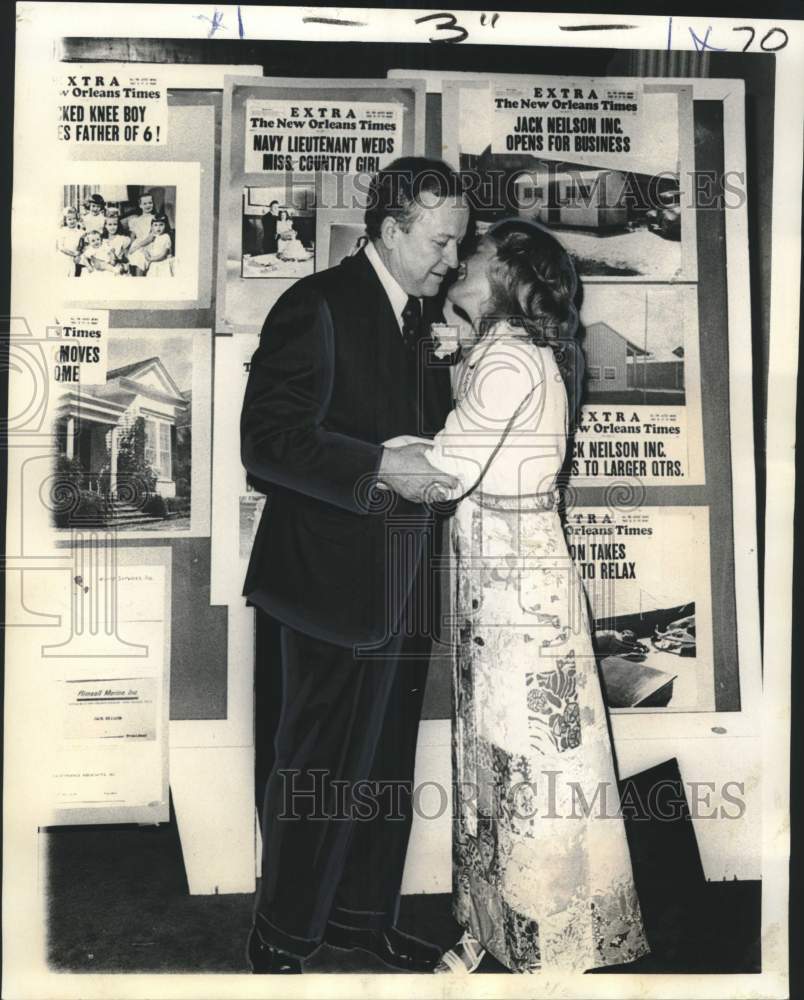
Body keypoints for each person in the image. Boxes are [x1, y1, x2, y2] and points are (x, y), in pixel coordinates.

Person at [386, 219, 651, 974]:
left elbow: (444, 473)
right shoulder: (508, 352)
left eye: (473, 255)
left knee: (529, 761)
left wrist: (361, 455)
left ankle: (547, 942)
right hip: (502, 584)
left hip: (517, 595)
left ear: (507, 278)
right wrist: (458, 347)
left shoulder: (508, 362)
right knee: (495, 758)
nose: (459, 262)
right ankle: (499, 929)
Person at [240, 157, 470, 974]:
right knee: (312, 770)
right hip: (321, 588)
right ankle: (283, 934)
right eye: (442, 242)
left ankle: (360, 920)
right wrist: (378, 464)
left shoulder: (424, 316)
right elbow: (266, 446)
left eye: (459, 244)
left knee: (381, 769)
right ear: (393, 225)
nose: (453, 260)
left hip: (403, 585)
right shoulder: (316, 304)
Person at [57, 207, 84, 276]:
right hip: (64, 257)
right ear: (65, 220)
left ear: (77, 219)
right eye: (69, 219)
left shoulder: (80, 232)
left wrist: (78, 254)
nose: (72, 221)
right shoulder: (63, 231)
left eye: (74, 218)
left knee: (72, 275)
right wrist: (74, 254)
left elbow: (82, 246)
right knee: (63, 274)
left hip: (74, 259)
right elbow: (61, 247)